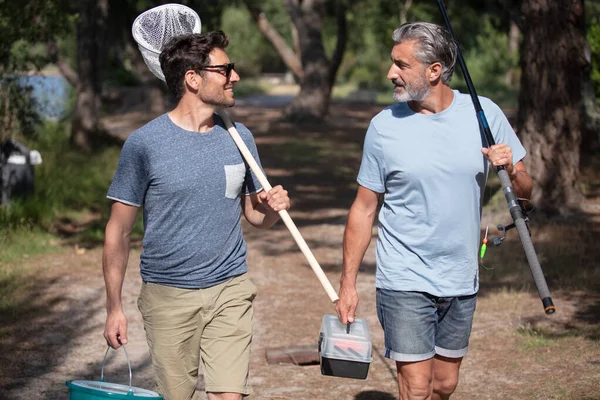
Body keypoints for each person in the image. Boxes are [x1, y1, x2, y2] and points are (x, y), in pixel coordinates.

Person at [336, 22, 532, 400]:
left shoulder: (484, 115)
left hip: (460, 275)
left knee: (444, 385)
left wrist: (510, 168)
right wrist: (348, 284)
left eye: (401, 65)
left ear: (435, 71)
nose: (390, 73)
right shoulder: (383, 127)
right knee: (416, 386)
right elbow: (363, 209)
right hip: (404, 277)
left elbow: (525, 193)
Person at [102, 31, 290, 400]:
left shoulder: (239, 138)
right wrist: (114, 309)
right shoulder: (144, 144)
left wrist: (272, 209)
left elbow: (255, 216)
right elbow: (118, 231)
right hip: (168, 296)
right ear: (193, 78)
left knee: (228, 395)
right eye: (225, 70)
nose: (234, 77)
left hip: (230, 288)